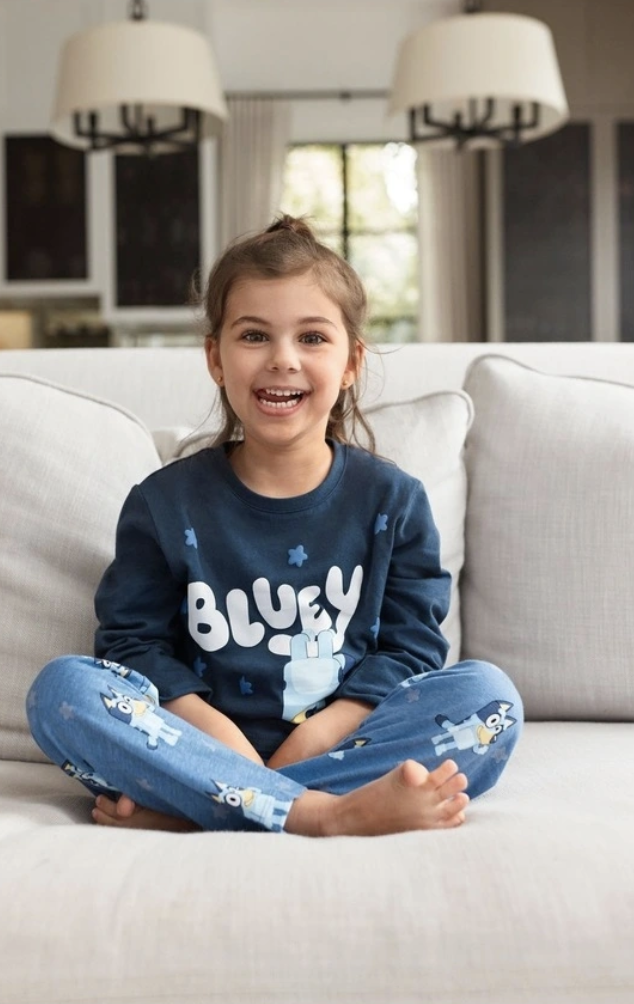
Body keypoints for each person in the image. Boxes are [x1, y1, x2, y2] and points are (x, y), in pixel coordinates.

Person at [27, 215, 522, 837]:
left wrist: (317, 734)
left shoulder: (393, 501)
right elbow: (133, 646)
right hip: (197, 744)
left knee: (490, 698)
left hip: (344, 741)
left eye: (312, 338)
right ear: (216, 357)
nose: (282, 360)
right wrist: (223, 750)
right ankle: (327, 815)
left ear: (350, 363)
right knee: (61, 690)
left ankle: (213, 811)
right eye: (254, 335)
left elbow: (411, 650)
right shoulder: (163, 503)